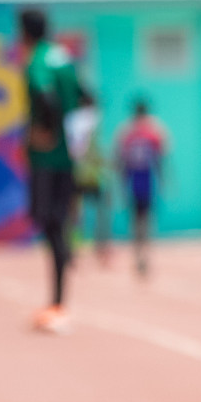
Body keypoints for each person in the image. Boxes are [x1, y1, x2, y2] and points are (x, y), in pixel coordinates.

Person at [19, 6, 84, 334]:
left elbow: (45, 97)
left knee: (50, 225)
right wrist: (77, 139)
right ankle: (58, 301)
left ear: (24, 33)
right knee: (57, 224)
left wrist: (46, 130)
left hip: (47, 160)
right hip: (68, 157)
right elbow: (88, 97)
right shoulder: (64, 56)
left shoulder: (38, 61)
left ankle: (57, 304)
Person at [115, 96, 170, 279]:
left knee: (137, 221)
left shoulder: (127, 132)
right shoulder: (154, 131)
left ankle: (140, 255)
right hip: (146, 181)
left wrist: (122, 185)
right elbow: (160, 160)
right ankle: (143, 256)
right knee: (145, 221)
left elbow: (120, 162)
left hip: (136, 182)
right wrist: (162, 181)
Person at [70, 91, 112, 269]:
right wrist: (105, 162)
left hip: (76, 174)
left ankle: (73, 250)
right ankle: (101, 248)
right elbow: (92, 149)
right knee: (102, 211)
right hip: (93, 176)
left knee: (75, 215)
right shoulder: (93, 119)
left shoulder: (72, 120)